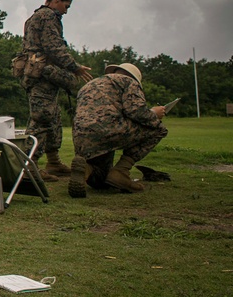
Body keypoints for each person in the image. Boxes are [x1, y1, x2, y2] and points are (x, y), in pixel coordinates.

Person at [16, 0, 93, 181]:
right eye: (66, 6)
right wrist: (74, 67)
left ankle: (53, 162)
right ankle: (28, 167)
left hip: (40, 74)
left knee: (53, 117)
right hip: (42, 76)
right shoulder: (48, 17)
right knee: (42, 118)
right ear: (56, 0)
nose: (66, 11)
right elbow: (53, 47)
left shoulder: (35, 17)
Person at [68, 63, 168, 197]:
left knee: (101, 179)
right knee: (159, 129)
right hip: (109, 130)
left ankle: (85, 169)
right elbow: (135, 111)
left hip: (81, 137)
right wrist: (154, 114)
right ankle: (121, 171)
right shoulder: (128, 81)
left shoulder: (89, 85)